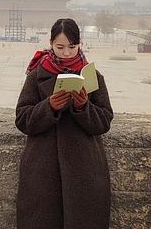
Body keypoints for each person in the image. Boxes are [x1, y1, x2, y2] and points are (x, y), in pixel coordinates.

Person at [15, 18, 113, 229]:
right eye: (60, 47)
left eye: (72, 46)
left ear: (80, 45)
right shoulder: (35, 76)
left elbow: (104, 121)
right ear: (51, 43)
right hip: (42, 167)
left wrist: (83, 107)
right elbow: (22, 119)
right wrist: (48, 107)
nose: (67, 53)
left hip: (84, 168)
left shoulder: (92, 76)